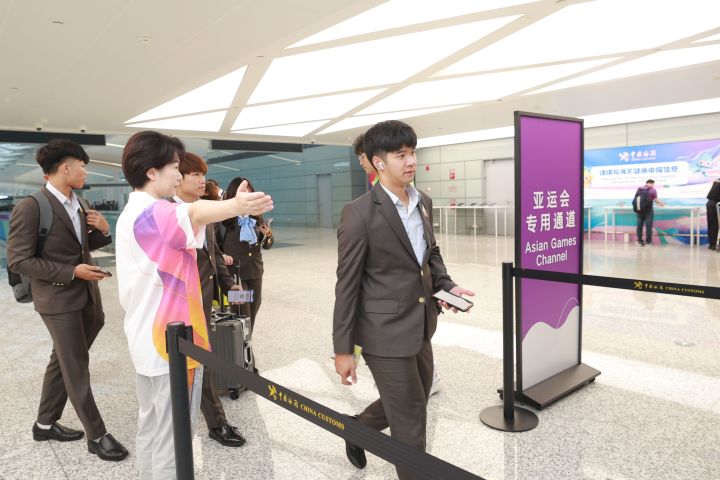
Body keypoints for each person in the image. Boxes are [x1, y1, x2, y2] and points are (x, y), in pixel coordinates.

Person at [115, 131, 272, 479]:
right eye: (174, 166)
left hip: (150, 341)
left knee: (153, 428)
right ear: (152, 171)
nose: (179, 173)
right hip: (169, 347)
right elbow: (197, 212)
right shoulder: (154, 213)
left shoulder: (134, 212)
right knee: (174, 438)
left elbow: (194, 215)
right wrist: (237, 205)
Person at [333, 120, 474, 480]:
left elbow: (429, 254)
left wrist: (446, 285)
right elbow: (347, 285)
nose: (411, 161)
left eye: (412, 152)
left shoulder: (422, 201)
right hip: (382, 331)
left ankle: (357, 429)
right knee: (410, 416)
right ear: (378, 162)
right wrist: (343, 350)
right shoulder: (359, 213)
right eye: (401, 155)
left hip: (420, 323)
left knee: (417, 394)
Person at [7, 139, 128, 461]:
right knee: (75, 366)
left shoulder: (81, 202)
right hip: (57, 300)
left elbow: (84, 245)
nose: (85, 172)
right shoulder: (32, 206)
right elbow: (18, 260)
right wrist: (72, 272)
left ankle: (44, 424)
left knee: (62, 359)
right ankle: (97, 435)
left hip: (87, 296)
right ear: (65, 168)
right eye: (82, 166)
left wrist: (104, 230)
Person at [174, 152, 247, 447]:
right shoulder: (168, 214)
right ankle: (217, 423)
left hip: (204, 300)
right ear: (177, 178)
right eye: (195, 174)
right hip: (179, 304)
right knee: (195, 360)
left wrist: (231, 287)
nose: (202, 180)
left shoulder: (207, 214)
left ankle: (213, 421)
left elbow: (214, 257)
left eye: (203, 174)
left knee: (199, 360)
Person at [221, 177, 275, 342]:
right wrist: (222, 255)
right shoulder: (224, 218)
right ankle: (241, 348)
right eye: (244, 190)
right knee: (241, 312)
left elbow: (267, 245)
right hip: (235, 274)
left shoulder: (256, 216)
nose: (248, 193)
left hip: (255, 271)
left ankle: (246, 345)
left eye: (249, 190)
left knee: (253, 308)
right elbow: (214, 244)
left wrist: (267, 234)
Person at [634, 179, 664, 246]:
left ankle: (639, 241)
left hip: (639, 210)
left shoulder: (639, 189)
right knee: (648, 226)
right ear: (652, 184)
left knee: (639, 226)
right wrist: (661, 203)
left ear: (646, 183)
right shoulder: (653, 190)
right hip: (648, 211)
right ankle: (648, 242)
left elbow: (636, 198)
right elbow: (655, 200)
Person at [707, 178, 720, 250]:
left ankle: (712, 244)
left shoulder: (718, 180)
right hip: (715, 204)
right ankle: (713, 244)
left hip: (712, 203)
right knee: (714, 224)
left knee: (713, 224)